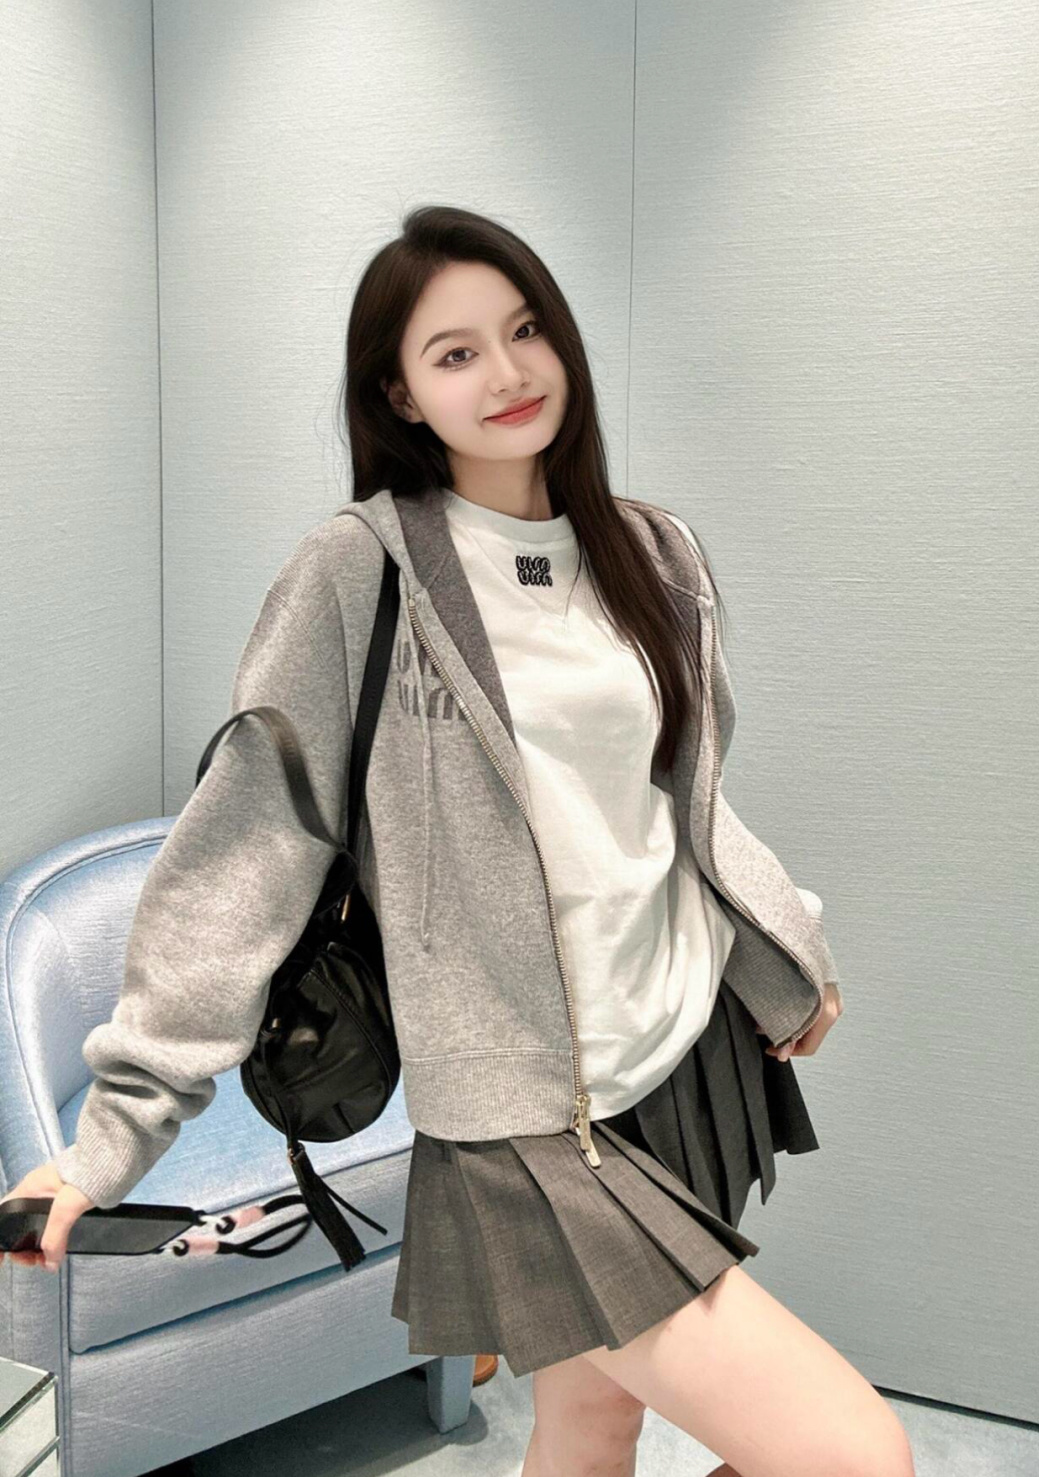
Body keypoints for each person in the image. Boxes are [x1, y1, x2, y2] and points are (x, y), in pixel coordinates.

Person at [1, 206, 913, 1477]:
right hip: (524, 1115)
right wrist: (114, 1139)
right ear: (402, 393)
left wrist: (785, 946)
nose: (507, 372)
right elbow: (246, 854)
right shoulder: (358, 574)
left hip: (680, 1053)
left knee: (591, 1421)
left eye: (526, 330)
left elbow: (682, 805)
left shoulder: (654, 551)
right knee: (851, 1456)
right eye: (456, 353)